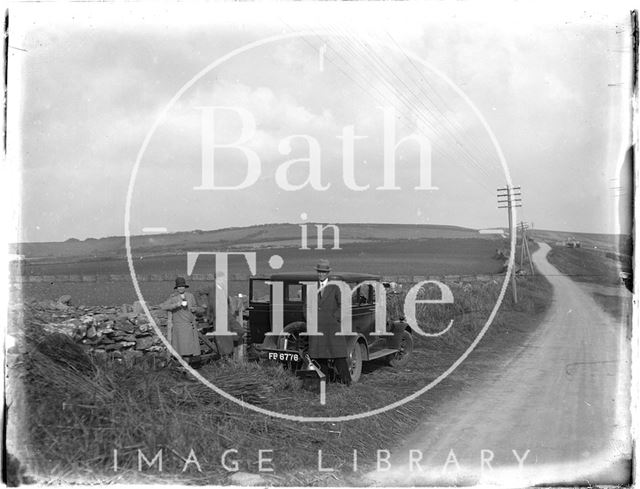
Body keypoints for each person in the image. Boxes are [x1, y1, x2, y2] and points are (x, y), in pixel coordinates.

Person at [308, 259, 351, 385]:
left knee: (338, 355)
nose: (321, 274)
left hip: (332, 327)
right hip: (317, 327)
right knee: (320, 355)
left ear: (327, 273)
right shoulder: (311, 288)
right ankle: (324, 382)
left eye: (323, 272)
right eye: (319, 272)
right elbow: (306, 306)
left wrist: (336, 318)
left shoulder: (335, 287)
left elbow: (344, 305)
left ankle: (346, 382)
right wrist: (310, 319)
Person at [160, 277, 203, 360]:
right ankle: (184, 368)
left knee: (190, 350)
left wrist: (194, 309)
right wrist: (177, 304)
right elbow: (163, 306)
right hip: (180, 327)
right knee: (183, 350)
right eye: (179, 287)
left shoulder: (190, 296)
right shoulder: (173, 297)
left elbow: (195, 306)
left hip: (190, 326)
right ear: (176, 288)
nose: (181, 288)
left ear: (185, 287)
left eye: (182, 286)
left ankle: (187, 368)